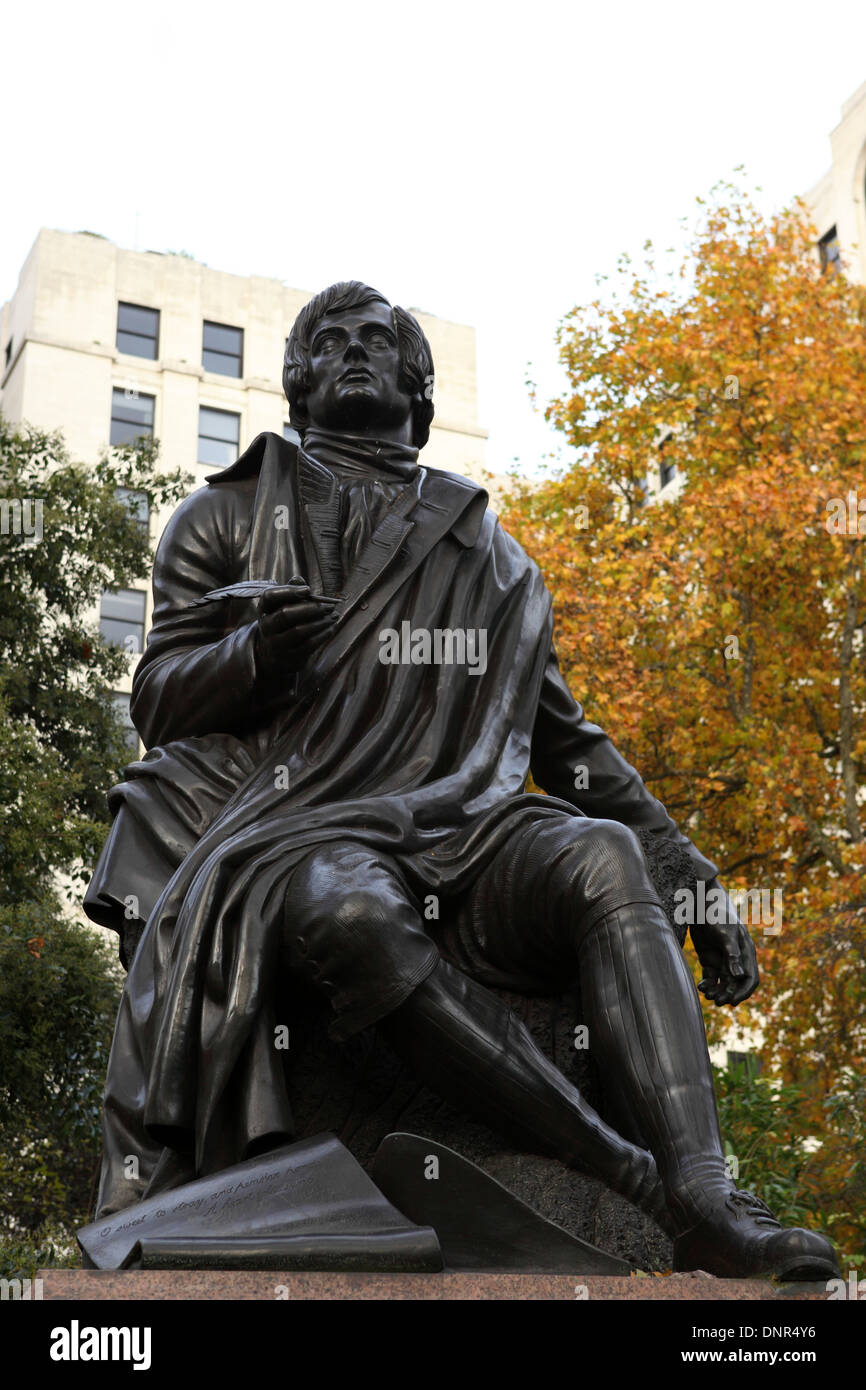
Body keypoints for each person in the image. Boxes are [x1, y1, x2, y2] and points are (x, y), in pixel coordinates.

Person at [85, 281, 838, 1281]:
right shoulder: (218, 520)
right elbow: (156, 702)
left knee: (603, 855)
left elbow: (568, 747)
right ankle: (616, 1166)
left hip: (458, 828)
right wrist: (250, 659)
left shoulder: (488, 554)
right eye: (330, 341)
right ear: (299, 382)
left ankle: (702, 1192)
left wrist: (690, 872)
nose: (356, 350)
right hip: (298, 831)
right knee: (343, 909)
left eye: (378, 340)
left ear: (415, 384)